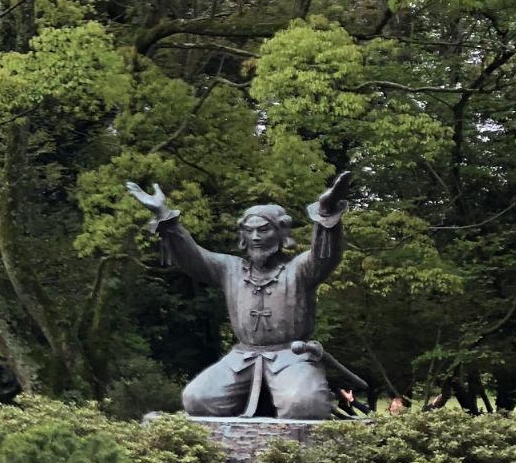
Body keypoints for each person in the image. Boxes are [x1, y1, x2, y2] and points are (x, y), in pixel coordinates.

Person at [124, 171, 354, 420]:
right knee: (196, 399)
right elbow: (194, 258)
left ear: (280, 232)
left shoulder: (297, 271)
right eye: (249, 230)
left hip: (291, 357)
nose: (255, 237)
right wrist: (165, 218)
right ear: (242, 234)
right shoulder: (230, 269)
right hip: (241, 359)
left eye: (264, 230)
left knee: (303, 405)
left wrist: (326, 214)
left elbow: (324, 257)